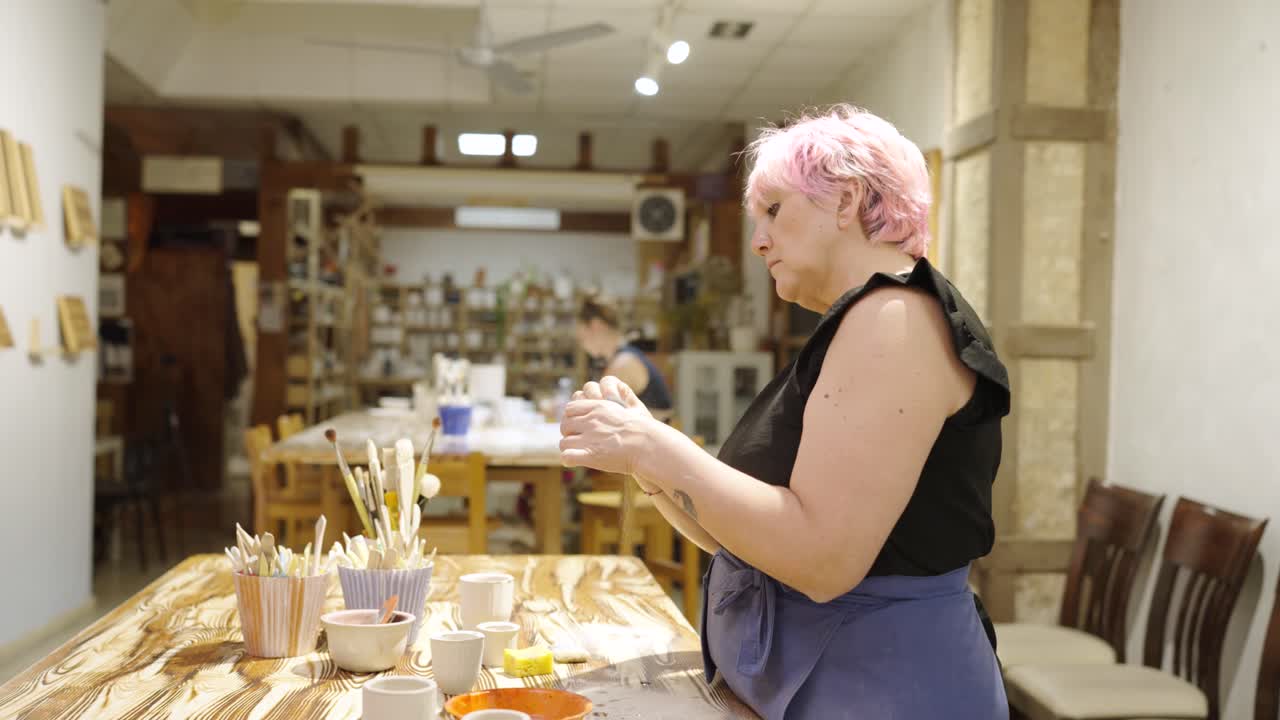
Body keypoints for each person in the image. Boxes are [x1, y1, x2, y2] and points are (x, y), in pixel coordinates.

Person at [557, 104, 1010, 719]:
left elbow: (822, 561)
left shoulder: (895, 319)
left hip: (881, 685)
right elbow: (742, 539)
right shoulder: (856, 323)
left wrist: (654, 447)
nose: (757, 240)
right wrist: (650, 459)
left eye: (774, 209)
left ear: (846, 199)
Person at [574, 294, 673, 415]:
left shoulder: (622, 364)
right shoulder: (626, 356)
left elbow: (599, 413)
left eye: (582, 338)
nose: (582, 345)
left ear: (596, 326)